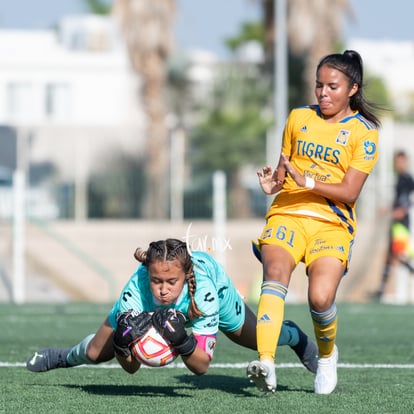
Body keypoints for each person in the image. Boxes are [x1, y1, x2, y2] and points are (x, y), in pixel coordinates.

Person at [246, 50, 381, 395]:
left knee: (320, 298)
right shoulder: (298, 117)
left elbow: (350, 192)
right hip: (287, 212)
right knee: (274, 274)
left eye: (332, 86)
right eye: (318, 85)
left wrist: (308, 182)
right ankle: (266, 362)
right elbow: (283, 172)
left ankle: (325, 356)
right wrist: (271, 185)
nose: (322, 93)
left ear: (352, 88)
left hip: (331, 224)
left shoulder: (364, 133)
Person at [26, 238, 318, 376]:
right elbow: (131, 370)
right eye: (156, 280)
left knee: (257, 339)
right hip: (146, 311)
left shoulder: (203, 294)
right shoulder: (135, 291)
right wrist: (122, 344)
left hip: (218, 289)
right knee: (93, 353)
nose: (163, 288)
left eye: (170, 281)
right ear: (147, 275)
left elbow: (201, 367)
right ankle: (63, 356)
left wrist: (183, 340)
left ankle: (294, 336)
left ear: (185, 275)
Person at [372, 150, 414, 300]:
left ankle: (382, 290)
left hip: (402, 224)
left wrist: (403, 210)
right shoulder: (400, 178)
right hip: (396, 222)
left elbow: (408, 200)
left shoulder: (408, 179)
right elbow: (398, 201)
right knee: (389, 255)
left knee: (399, 255)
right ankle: (381, 291)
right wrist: (389, 209)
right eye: (397, 161)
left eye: (401, 161)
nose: (399, 164)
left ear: (406, 161)